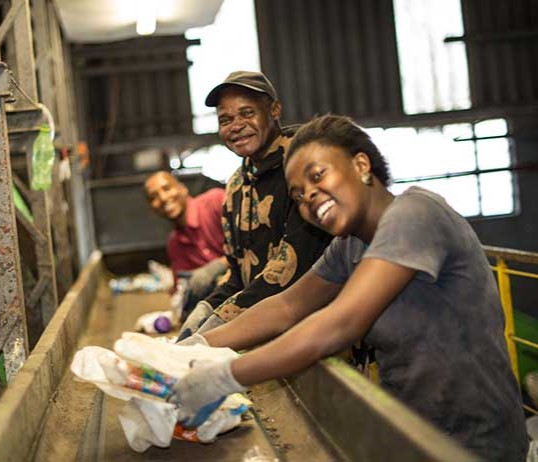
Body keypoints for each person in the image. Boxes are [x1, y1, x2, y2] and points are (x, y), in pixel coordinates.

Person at [169, 115, 528, 462]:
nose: (309, 196)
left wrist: (225, 376)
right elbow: (286, 307)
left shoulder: (416, 214)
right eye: (297, 195)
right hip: (411, 435)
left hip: (474, 445)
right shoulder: (349, 245)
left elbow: (341, 324)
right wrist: (189, 350)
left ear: (361, 165)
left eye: (318, 176)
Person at [178, 71, 333, 339]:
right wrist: (204, 311)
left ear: (274, 110)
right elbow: (238, 276)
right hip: (262, 326)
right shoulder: (237, 184)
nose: (235, 126)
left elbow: (287, 271)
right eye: (225, 120)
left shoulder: (301, 166)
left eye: (247, 113)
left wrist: (215, 328)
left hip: (320, 325)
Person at [144, 171, 227, 306]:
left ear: (182, 188)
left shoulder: (215, 202)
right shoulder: (175, 245)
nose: (163, 198)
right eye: (154, 197)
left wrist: (219, 265)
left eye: (167, 188)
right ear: (152, 209)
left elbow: (256, 243)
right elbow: (181, 293)